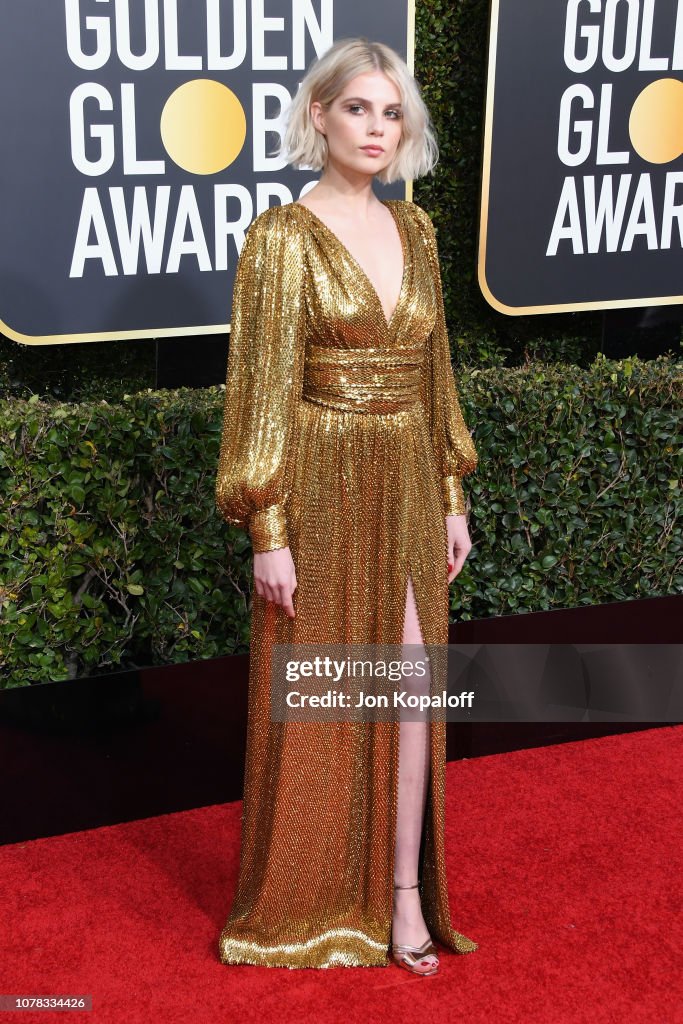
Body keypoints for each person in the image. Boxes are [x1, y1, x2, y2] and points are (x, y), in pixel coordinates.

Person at [215, 36, 479, 974]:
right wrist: (267, 527)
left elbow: (437, 369)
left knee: (411, 689)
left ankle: (404, 897)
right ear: (318, 115)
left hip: (408, 474)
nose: (376, 127)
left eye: (391, 111)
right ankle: (314, 895)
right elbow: (261, 394)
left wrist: (450, 489)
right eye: (357, 108)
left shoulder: (419, 231)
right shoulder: (281, 237)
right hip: (318, 482)